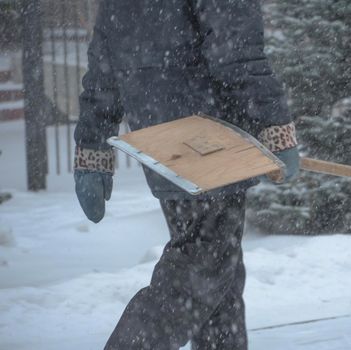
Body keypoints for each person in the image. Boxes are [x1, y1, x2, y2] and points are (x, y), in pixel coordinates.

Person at [73, 0, 299, 349]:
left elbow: (104, 68)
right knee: (198, 273)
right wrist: (274, 124)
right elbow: (235, 53)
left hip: (163, 143)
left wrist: (92, 153)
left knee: (218, 276)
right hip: (210, 142)